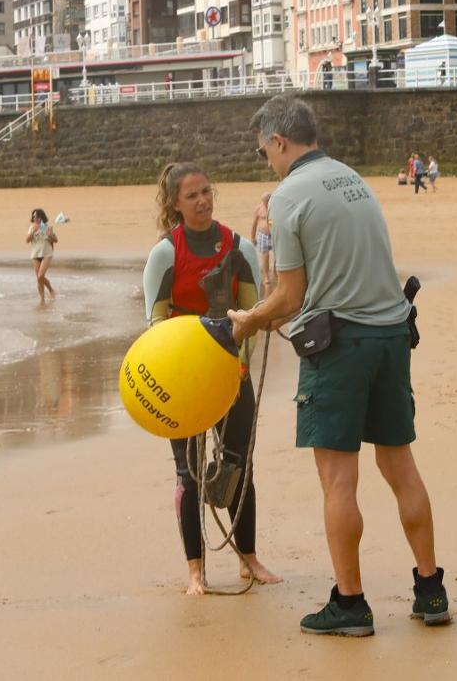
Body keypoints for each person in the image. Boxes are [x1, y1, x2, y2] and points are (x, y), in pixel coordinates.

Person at [231, 94, 450, 636]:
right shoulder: (351, 178)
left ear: (279, 141)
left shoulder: (288, 195)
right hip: (391, 334)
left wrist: (250, 320)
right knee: (401, 467)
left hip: (340, 344)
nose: (266, 161)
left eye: (263, 152)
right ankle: (430, 589)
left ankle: (350, 604)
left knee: (338, 480)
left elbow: (289, 295)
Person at [143, 162, 281, 595]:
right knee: (188, 474)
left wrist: (237, 368)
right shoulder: (165, 253)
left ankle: (248, 558)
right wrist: (182, 372)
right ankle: (195, 570)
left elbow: (252, 314)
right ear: (175, 204)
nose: (203, 201)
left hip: (231, 374)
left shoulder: (238, 247)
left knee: (240, 466)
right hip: (182, 382)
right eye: (192, 196)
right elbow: (155, 324)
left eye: (206, 192)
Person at [25, 208, 57, 302]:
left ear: (41, 217)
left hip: (46, 253)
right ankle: (42, 300)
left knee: (40, 276)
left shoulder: (47, 227)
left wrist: (50, 235)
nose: (35, 218)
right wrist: (33, 232)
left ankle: (51, 289)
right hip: (35, 254)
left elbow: (55, 240)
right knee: (38, 279)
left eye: (37, 216)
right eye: (34, 216)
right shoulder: (32, 227)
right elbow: (27, 240)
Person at [251, 191, 275, 295]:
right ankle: (266, 276)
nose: (266, 203)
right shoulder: (259, 209)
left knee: (278, 256)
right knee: (265, 256)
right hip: (263, 235)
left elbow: (276, 221)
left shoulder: (274, 208)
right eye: (265, 201)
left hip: (274, 235)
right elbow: (254, 224)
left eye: (268, 201)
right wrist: (253, 237)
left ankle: (276, 273)